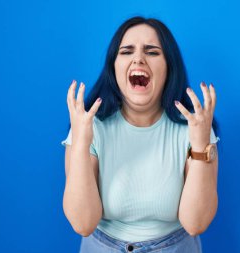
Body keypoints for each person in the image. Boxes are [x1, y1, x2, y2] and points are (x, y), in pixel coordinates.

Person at [61, 16, 220, 253]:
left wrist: (199, 144)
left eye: (152, 52)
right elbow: (83, 224)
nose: (138, 59)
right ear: (113, 67)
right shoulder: (89, 126)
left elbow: (196, 223)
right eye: (126, 51)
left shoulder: (194, 128)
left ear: (169, 67)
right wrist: (81, 144)